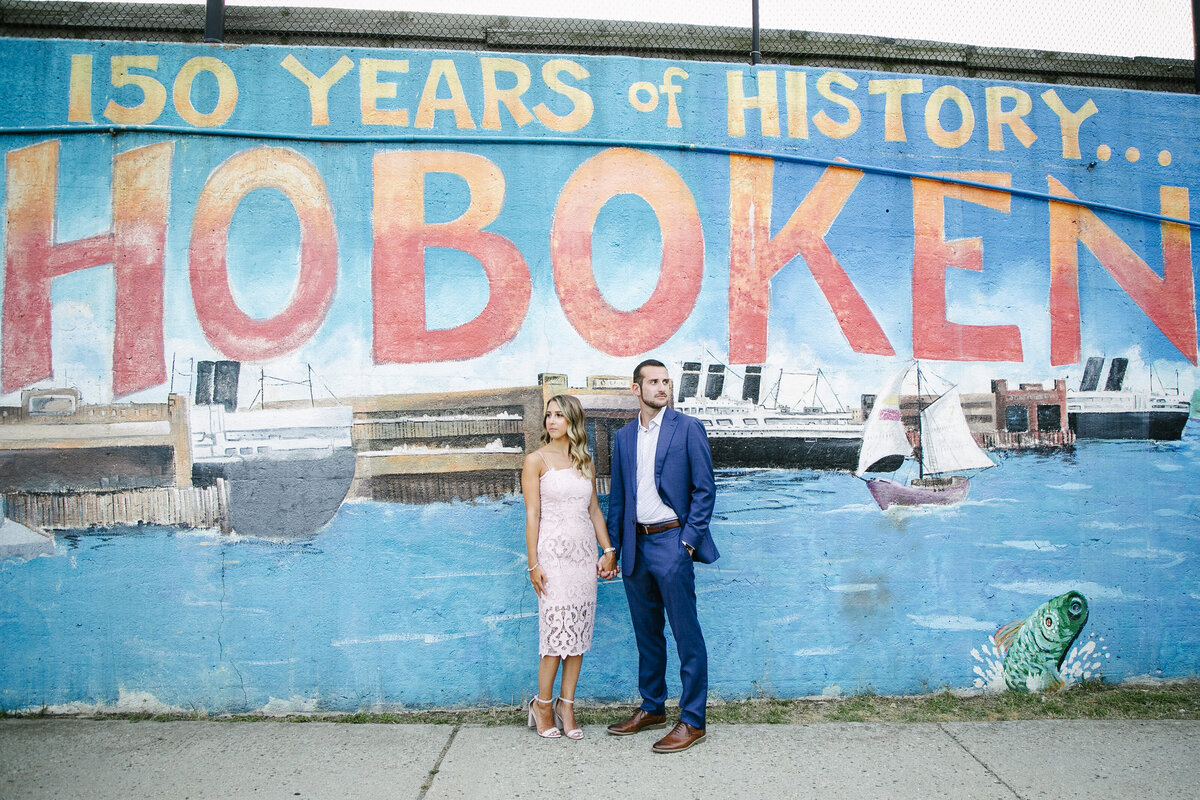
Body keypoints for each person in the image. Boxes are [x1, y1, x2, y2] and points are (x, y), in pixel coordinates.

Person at [605, 358, 718, 753]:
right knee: (647, 635)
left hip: (672, 542)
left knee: (687, 634)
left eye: (666, 381)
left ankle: (692, 720)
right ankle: (652, 707)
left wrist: (687, 543)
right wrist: (614, 550)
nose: (662, 387)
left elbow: (705, 490)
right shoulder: (622, 438)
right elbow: (619, 498)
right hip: (635, 545)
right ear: (636, 389)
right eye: (653, 382)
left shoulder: (687, 428)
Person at [523, 393, 619, 740]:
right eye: (549, 415)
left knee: (577, 635)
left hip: (582, 559)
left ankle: (567, 704)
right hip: (552, 558)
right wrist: (533, 563)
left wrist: (608, 549)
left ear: (572, 421)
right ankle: (542, 705)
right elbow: (533, 514)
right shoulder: (535, 461)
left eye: (559, 416)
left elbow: (593, 510)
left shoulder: (584, 461)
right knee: (553, 637)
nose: (551, 421)